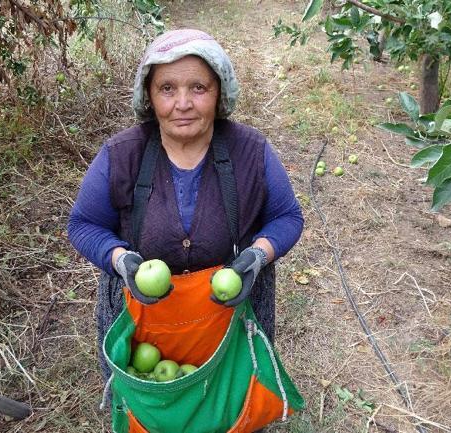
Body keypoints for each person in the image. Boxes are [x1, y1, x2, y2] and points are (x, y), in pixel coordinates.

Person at [68, 28, 304, 382]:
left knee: (232, 395)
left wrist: (258, 255)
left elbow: (286, 217)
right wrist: (120, 260)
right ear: (148, 96)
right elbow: (84, 225)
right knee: (152, 404)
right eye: (167, 89)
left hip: (231, 316)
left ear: (219, 92)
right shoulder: (122, 154)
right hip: (144, 319)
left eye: (198, 88)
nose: (182, 103)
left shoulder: (251, 151)